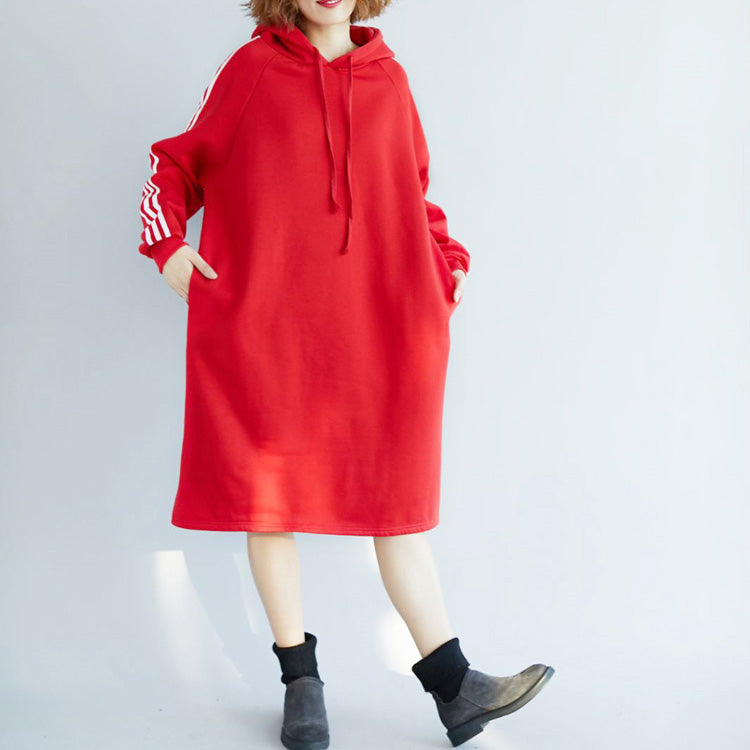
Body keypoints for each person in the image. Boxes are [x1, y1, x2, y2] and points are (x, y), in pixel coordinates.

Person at [137, 0, 554, 747]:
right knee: (268, 503)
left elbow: (410, 194)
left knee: (394, 500)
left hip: (373, 326)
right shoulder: (250, 70)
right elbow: (172, 164)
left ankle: (455, 687)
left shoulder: (390, 80)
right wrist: (168, 246)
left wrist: (448, 260)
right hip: (268, 329)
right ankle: (301, 682)